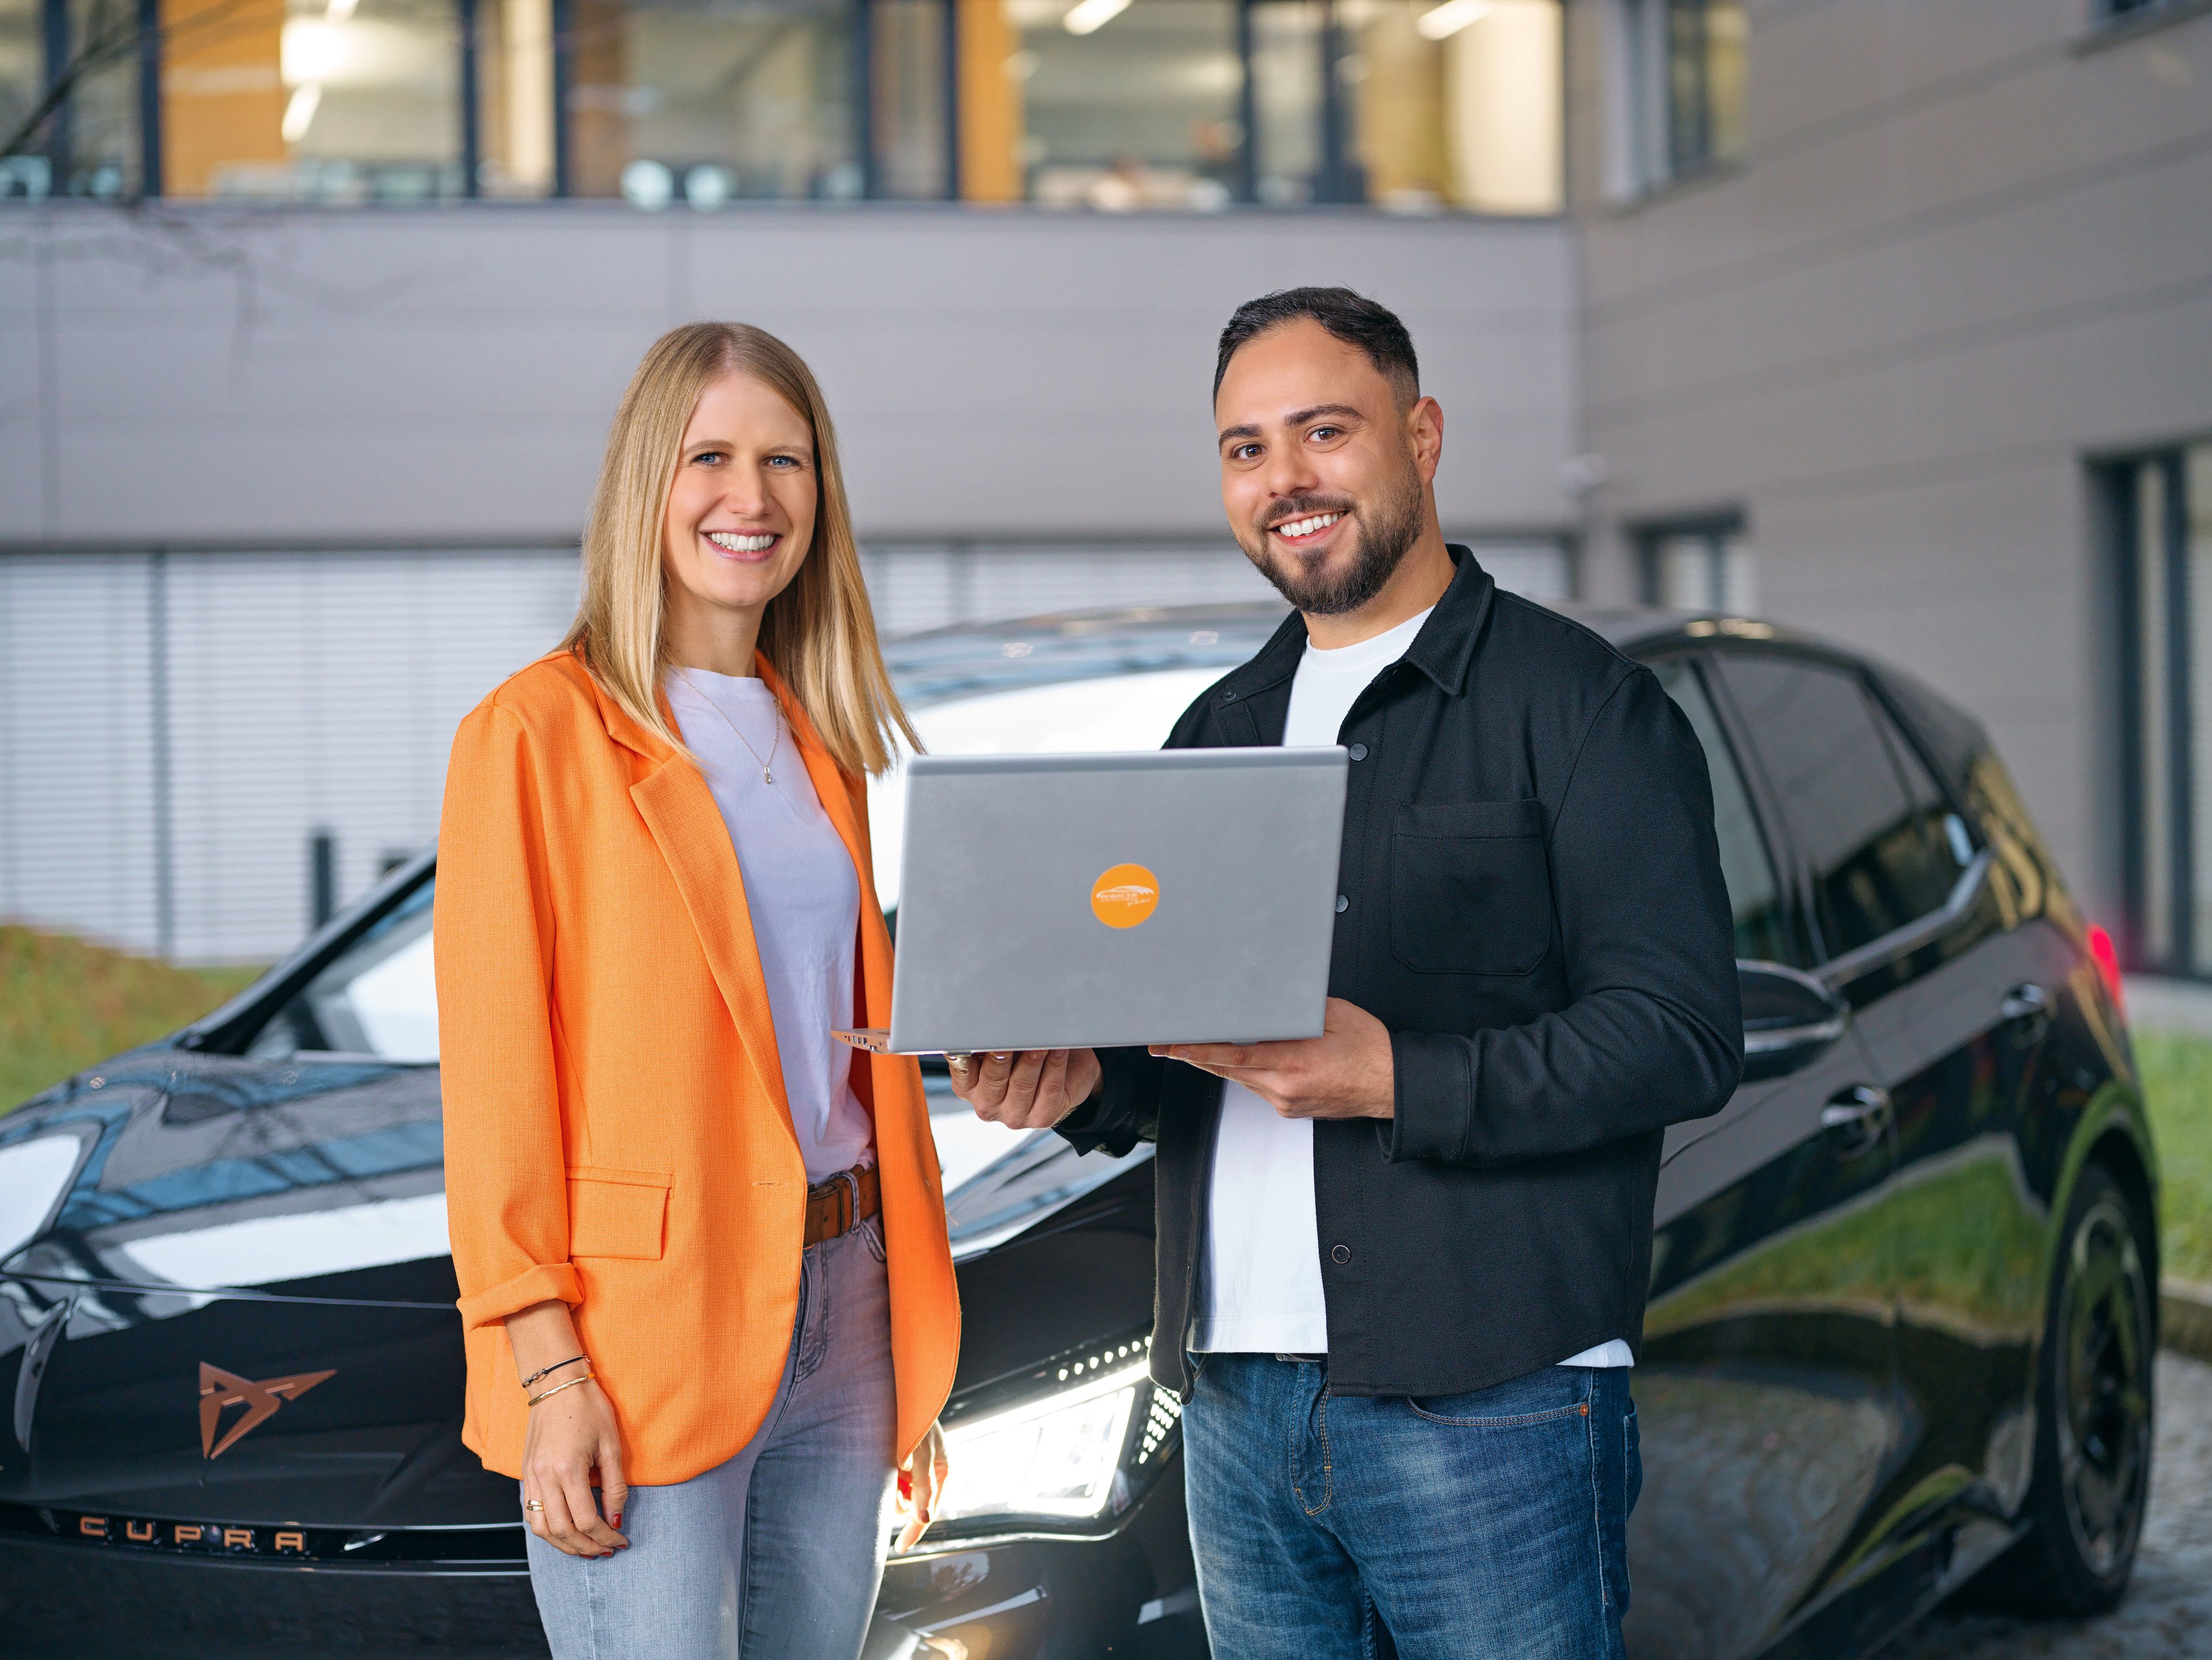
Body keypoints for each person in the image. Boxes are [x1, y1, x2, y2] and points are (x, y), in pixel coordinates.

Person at [951, 287, 1742, 1659]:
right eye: (1247, 448)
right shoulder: (1216, 731)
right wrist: (1085, 1081)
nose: (1286, 480)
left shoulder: (1583, 708)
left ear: (1422, 436)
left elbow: (1679, 1033)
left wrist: (1400, 1075)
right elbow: (1184, 1050)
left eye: (1325, 430)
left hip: (1492, 1401)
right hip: (1237, 1406)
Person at [435, 322, 958, 1660]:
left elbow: (838, 1054)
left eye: (787, 460)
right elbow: (501, 1091)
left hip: (847, 1311)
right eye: (711, 455)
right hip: (641, 1332)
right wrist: (549, 1371)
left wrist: (899, 1332)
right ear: (643, 484)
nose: (754, 496)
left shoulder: (819, 735)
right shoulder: (534, 734)